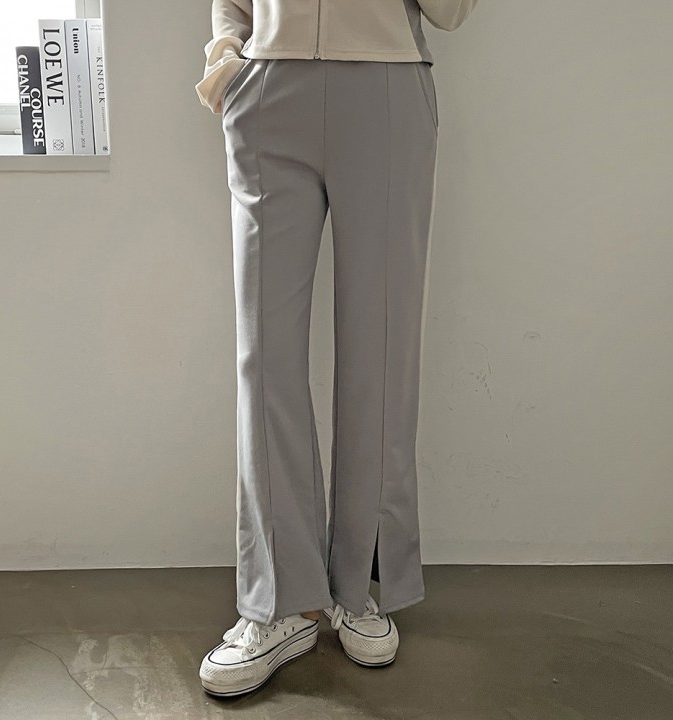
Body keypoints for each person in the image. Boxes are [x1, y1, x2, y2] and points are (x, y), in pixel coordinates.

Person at [195, 0, 478, 697]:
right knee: (264, 359)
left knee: (381, 351)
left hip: (386, 88)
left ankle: (358, 587)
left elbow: (451, 14)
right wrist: (227, 57)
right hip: (268, 88)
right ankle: (280, 601)